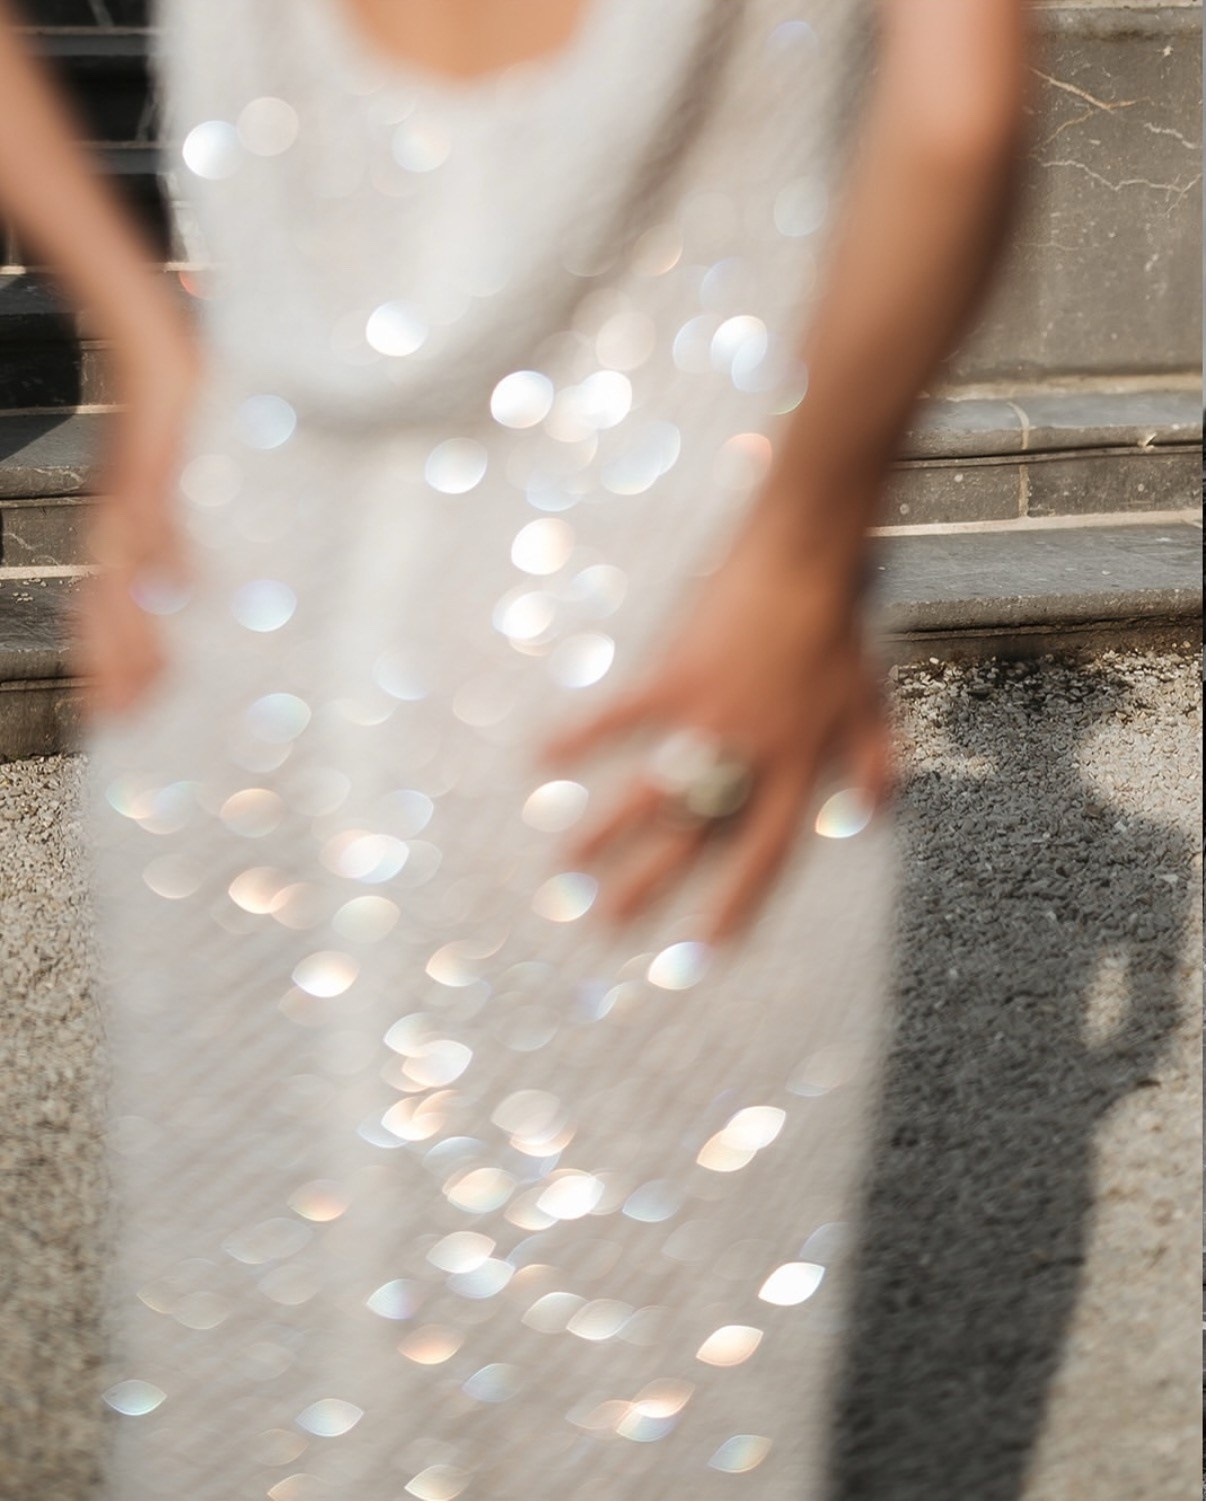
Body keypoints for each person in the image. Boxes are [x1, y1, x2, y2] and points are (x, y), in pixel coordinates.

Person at [0, 1, 1028, 1496]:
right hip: (660, 640)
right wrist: (802, 552)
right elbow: (956, 115)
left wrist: (147, 344)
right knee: (631, 1382)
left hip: (259, 604)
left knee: (285, 1369)